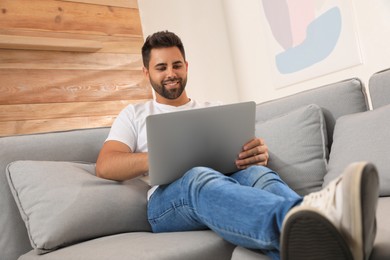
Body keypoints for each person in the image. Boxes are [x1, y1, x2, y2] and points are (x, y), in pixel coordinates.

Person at [96, 30, 379, 260]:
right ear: (146, 73)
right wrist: (163, 157)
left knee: (256, 174)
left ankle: (328, 243)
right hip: (168, 203)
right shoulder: (134, 114)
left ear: (186, 66)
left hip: (224, 183)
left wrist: (257, 154)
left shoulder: (215, 109)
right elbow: (106, 165)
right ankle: (316, 218)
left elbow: (244, 156)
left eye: (176, 65)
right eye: (161, 67)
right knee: (197, 175)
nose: (171, 72)